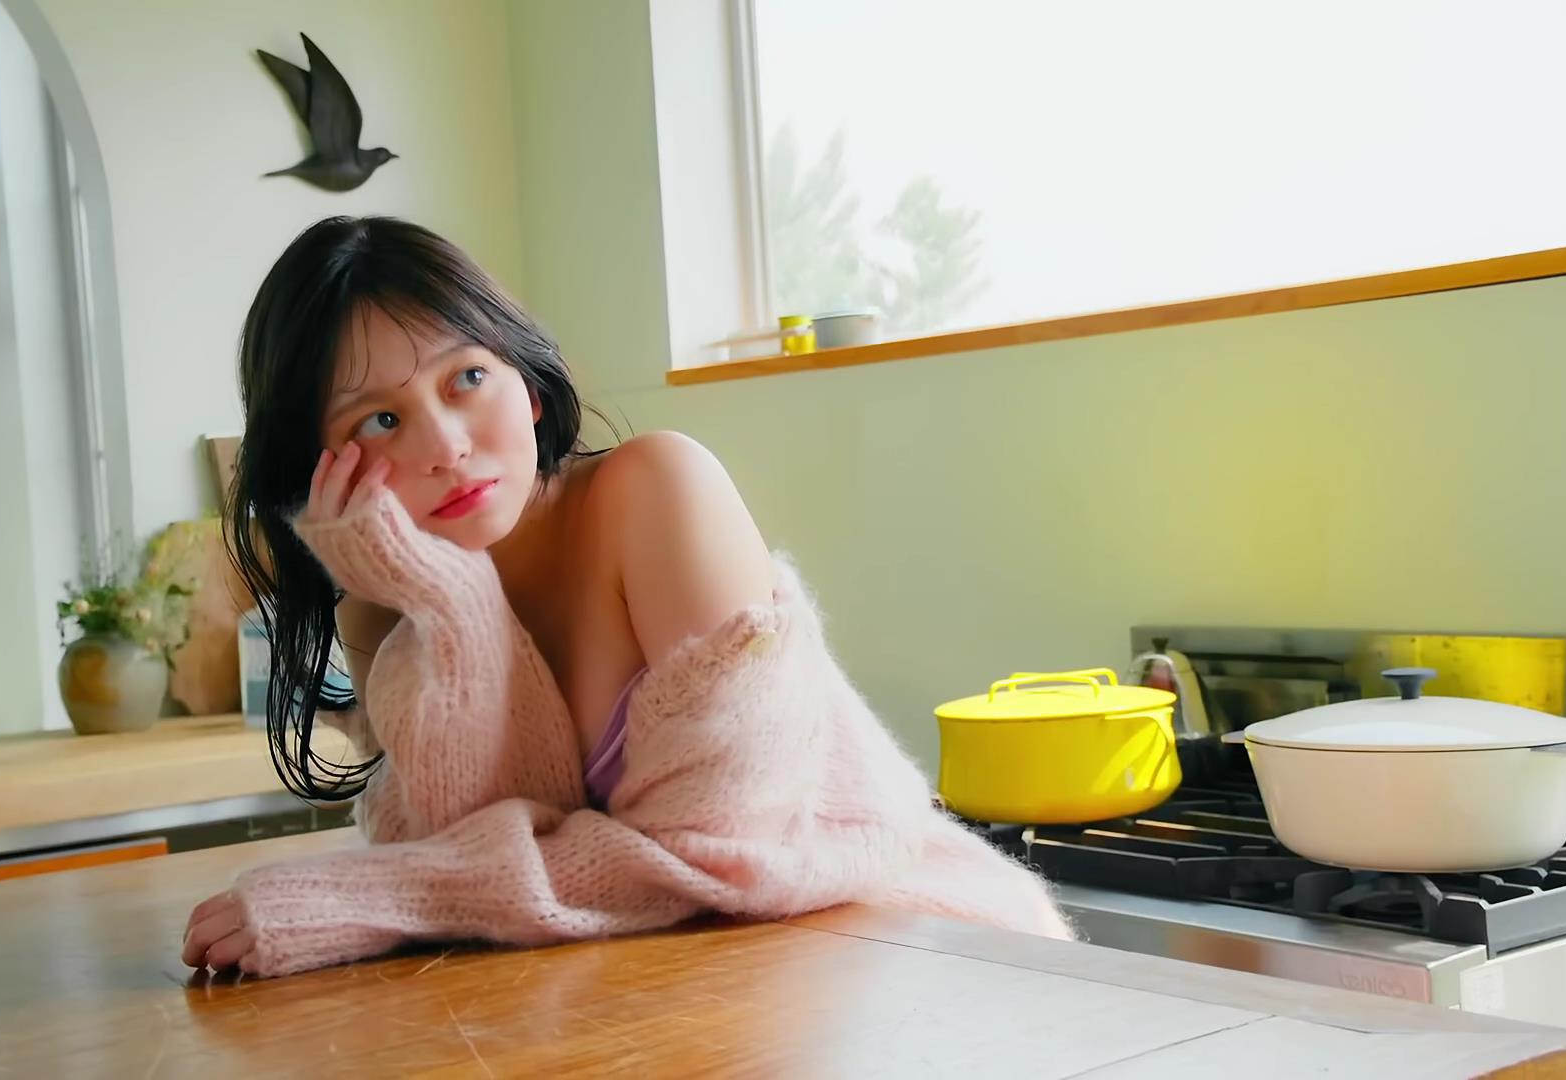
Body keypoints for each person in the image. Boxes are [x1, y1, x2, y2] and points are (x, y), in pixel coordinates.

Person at [180, 216, 1069, 977]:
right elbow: (458, 855)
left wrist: (359, 897)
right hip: (688, 989)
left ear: (528, 388)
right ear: (322, 468)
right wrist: (450, 602)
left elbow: (721, 859)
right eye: (381, 420)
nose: (445, 445)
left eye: (467, 379)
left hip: (915, 953)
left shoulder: (656, 491)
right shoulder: (387, 604)